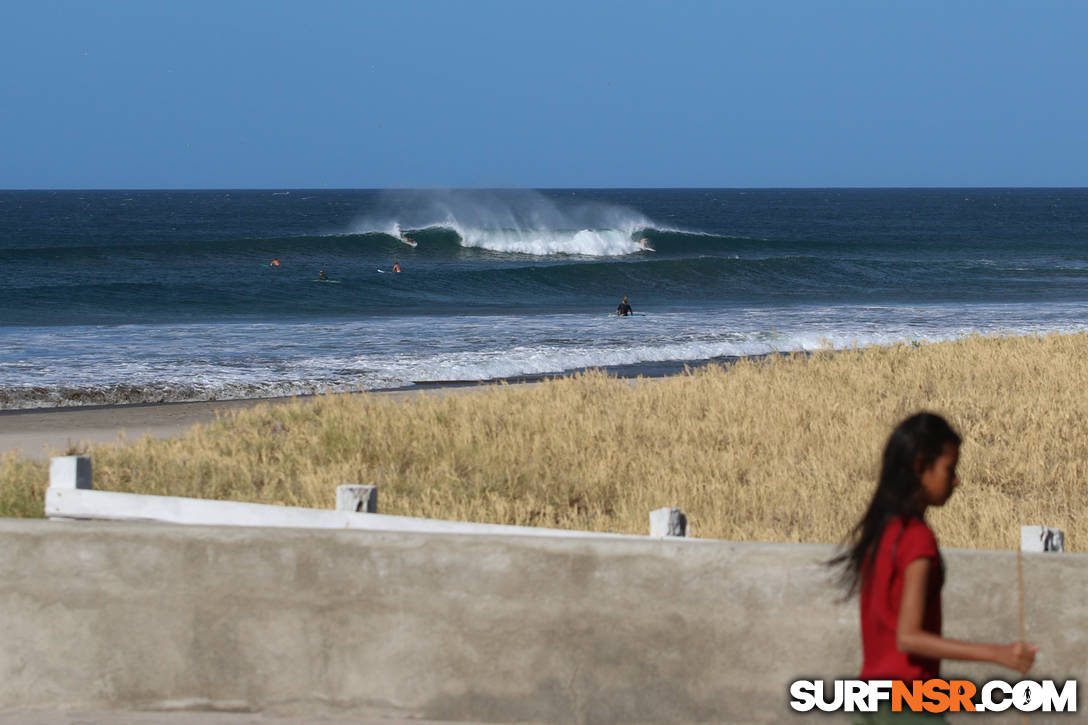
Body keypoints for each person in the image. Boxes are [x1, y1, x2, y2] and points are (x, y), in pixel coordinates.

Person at [830, 413, 1037, 723]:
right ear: (919, 467)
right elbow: (909, 637)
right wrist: (999, 654)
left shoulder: (881, 533)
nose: (956, 480)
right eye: (949, 469)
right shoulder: (916, 539)